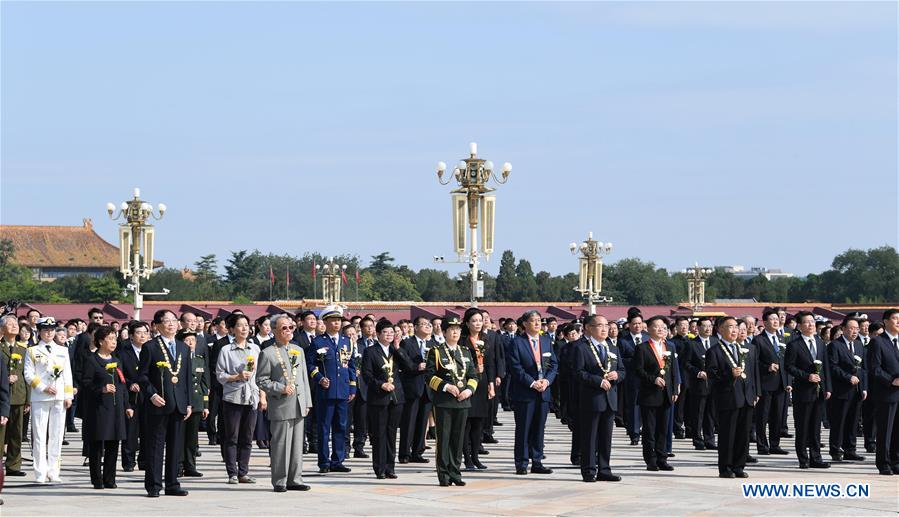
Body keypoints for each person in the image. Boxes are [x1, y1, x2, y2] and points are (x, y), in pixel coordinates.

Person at [138, 309, 192, 497]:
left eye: (174, 320)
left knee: (175, 447)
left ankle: (172, 483)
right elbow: (142, 376)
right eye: (167, 321)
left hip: (179, 404)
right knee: (155, 446)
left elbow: (186, 378)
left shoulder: (183, 347)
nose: (171, 324)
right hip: (158, 404)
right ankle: (153, 485)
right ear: (157, 325)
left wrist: (189, 403)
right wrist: (152, 394)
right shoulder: (150, 347)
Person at [256, 314, 313, 492]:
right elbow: (261, 380)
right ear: (274, 331)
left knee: (297, 445)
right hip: (280, 404)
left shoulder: (298, 350)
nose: (289, 331)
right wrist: (279, 388)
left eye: (291, 327)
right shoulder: (267, 353)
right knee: (281, 445)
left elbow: (303, 378)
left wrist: (307, 401)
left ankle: (295, 479)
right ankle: (280, 480)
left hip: (298, 403)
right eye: (284, 328)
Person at [425, 316, 477, 486]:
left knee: (458, 437)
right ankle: (444, 473)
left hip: (463, 401)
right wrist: (447, 387)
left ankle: (456, 472)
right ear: (445, 331)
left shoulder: (465, 351)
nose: (455, 332)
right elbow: (429, 376)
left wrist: (468, 390)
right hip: (444, 401)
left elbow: (473, 376)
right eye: (451, 329)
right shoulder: (436, 351)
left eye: (458, 329)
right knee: (444, 438)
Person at [573, 314, 624, 482]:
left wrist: (617, 375)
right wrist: (598, 381)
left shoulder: (612, 348)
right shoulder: (582, 348)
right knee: (590, 436)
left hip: (610, 398)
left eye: (606, 326)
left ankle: (604, 469)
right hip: (591, 398)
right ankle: (588, 470)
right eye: (599, 326)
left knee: (606, 437)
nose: (604, 329)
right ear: (588, 328)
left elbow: (623, 370)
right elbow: (578, 373)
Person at [706, 317, 759, 479]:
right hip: (728, 398)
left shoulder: (746, 349)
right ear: (720, 330)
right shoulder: (714, 351)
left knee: (743, 434)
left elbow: (753, 373)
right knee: (728, 435)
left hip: (747, 398)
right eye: (730, 327)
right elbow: (712, 376)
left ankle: (739, 466)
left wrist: (756, 393)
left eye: (736, 326)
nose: (735, 330)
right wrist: (729, 374)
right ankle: (725, 467)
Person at [306, 306, 356, 473]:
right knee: (324, 427)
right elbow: (310, 364)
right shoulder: (318, 341)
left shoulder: (346, 341)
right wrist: (319, 378)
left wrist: (352, 387)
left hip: (342, 390)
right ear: (325, 322)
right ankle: (324, 462)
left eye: (339, 320)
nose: (337, 323)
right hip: (326, 391)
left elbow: (350, 365)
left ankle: (338, 460)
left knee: (341, 426)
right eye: (333, 320)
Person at [24, 317, 74, 483]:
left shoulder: (63, 350)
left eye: (52, 329)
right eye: (45, 330)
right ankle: (40, 472)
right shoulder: (32, 351)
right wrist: (43, 387)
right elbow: (28, 374)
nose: (49, 333)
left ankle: (54, 471)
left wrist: (68, 396)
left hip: (59, 397)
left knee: (57, 435)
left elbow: (68, 375)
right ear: (39, 331)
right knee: (39, 435)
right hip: (40, 397)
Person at [507, 310, 557, 475]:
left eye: (539, 320)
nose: (537, 323)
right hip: (525, 392)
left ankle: (537, 461)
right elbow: (515, 368)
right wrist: (532, 383)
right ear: (525, 324)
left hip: (543, 391)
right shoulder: (517, 342)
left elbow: (553, 365)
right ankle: (521, 463)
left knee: (539, 428)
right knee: (524, 428)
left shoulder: (546, 340)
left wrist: (547, 381)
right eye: (533, 321)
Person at [81, 326, 131, 489]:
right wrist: (101, 389)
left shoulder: (117, 361)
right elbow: (86, 384)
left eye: (115, 339)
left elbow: (122, 385)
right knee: (97, 444)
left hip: (116, 408)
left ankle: (110, 478)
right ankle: (97, 479)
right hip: (98, 408)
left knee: (113, 443)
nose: (113, 342)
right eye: (110, 339)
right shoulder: (91, 360)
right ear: (101, 341)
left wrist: (127, 405)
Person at [216, 313, 265, 484]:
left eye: (246, 325)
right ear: (231, 329)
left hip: (252, 396)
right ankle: (232, 472)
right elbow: (220, 375)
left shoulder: (255, 349)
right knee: (232, 436)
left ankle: (243, 471)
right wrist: (236, 376)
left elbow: (260, 375)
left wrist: (262, 397)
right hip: (233, 397)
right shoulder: (226, 350)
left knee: (247, 436)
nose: (245, 328)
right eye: (240, 325)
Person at [362, 319, 413, 479]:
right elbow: (367, 374)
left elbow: (409, 367)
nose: (389, 335)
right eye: (385, 332)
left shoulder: (396, 350)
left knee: (391, 433)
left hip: (396, 397)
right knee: (379, 434)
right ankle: (380, 468)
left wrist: (398, 348)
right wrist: (381, 384)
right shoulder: (370, 351)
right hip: (379, 397)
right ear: (378, 334)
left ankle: (390, 467)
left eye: (392, 332)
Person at [785, 311, 832, 469]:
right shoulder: (794, 344)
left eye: (812, 321)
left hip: (818, 392)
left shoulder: (820, 342)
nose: (811, 324)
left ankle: (816, 457)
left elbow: (825, 367)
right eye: (807, 322)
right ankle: (803, 458)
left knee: (815, 426)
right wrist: (806, 376)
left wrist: (827, 388)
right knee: (803, 426)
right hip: (803, 391)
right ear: (799, 326)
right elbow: (789, 366)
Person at [633, 315, 679, 472]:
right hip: (649, 394)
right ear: (649, 328)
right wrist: (653, 379)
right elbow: (638, 370)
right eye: (657, 326)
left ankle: (662, 458)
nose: (661, 329)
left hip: (666, 393)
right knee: (650, 430)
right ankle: (650, 460)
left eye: (664, 327)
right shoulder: (642, 348)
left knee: (663, 429)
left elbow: (673, 370)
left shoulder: (670, 347)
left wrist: (674, 389)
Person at [827, 316, 867, 462]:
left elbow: (863, 369)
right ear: (843, 329)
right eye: (851, 328)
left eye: (857, 329)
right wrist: (847, 377)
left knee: (853, 421)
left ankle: (850, 449)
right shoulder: (835, 345)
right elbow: (833, 367)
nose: (855, 331)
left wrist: (864, 388)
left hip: (856, 390)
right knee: (839, 421)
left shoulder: (858, 345)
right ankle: (836, 449)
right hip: (841, 390)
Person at [460, 308, 496, 470]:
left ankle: (475, 457)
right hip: (467, 384)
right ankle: (466, 458)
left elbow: (490, 363)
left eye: (480, 321)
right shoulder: (462, 341)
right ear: (467, 323)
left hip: (482, 384)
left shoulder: (486, 339)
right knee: (466, 424)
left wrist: (491, 384)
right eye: (474, 321)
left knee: (478, 424)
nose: (477, 324)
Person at [753, 308, 790, 456]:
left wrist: (788, 381)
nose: (776, 321)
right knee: (763, 416)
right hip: (765, 383)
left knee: (777, 416)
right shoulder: (758, 340)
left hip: (781, 383)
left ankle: (775, 444)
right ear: (765, 322)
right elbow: (754, 362)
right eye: (772, 319)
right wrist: (767, 367)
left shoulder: (782, 339)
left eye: (777, 319)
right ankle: (762, 445)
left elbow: (786, 362)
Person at [867, 308, 899, 475]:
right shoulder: (878, 342)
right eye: (895, 318)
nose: (898, 321)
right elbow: (874, 368)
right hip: (886, 392)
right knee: (885, 430)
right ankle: (884, 463)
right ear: (886, 321)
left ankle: (896, 460)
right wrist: (891, 380)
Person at [398, 316, 434, 464]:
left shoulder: (433, 344)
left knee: (422, 421)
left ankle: (418, 452)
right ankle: (404, 453)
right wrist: (415, 367)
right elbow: (402, 362)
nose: (427, 327)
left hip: (428, 387)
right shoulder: (407, 343)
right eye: (424, 324)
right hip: (412, 387)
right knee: (409, 421)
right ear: (416, 327)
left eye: (428, 324)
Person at [0, 315, 29, 478]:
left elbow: (27, 375)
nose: (14, 326)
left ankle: (13, 464)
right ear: (2, 328)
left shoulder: (22, 350)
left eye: (15, 324)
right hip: (3, 395)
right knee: (1, 433)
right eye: (9, 324)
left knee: (16, 433)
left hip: (19, 394)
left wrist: (28, 399)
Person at [120, 320, 150, 472]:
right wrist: (130, 383)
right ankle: (128, 461)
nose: (142, 336)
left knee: (147, 430)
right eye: (139, 333)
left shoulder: (151, 350)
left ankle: (144, 461)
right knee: (131, 431)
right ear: (131, 336)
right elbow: (120, 374)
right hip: (131, 397)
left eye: (145, 333)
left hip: (149, 396)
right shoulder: (123, 353)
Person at [180, 329, 209, 477]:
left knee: (192, 438)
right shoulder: (177, 359)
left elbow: (204, 384)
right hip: (182, 402)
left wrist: (205, 405)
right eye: (187, 340)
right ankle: (178, 466)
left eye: (193, 340)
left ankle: (190, 466)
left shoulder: (199, 359)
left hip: (197, 402)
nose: (191, 343)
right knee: (179, 436)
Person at [685, 317, 716, 451]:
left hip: (713, 384)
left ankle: (710, 439)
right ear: (698, 328)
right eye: (705, 326)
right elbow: (686, 363)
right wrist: (697, 372)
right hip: (698, 384)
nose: (708, 328)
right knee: (698, 413)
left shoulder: (716, 342)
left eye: (710, 326)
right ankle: (698, 439)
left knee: (711, 413)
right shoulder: (691, 344)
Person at [618, 308, 649, 445]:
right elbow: (620, 359)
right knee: (634, 406)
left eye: (639, 323)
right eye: (634, 323)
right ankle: (634, 433)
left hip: (648, 378)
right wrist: (635, 361)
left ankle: (646, 430)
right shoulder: (623, 340)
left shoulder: (648, 338)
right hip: (632, 378)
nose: (637, 326)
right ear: (629, 325)